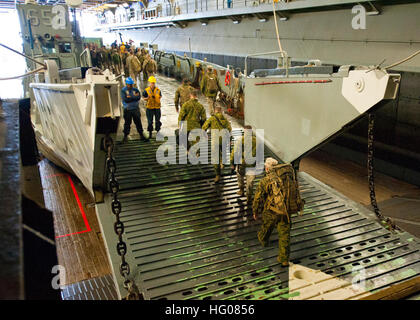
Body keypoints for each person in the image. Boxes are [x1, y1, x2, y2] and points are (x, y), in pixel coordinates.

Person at [252, 158, 305, 266]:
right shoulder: (288, 177)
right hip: (286, 211)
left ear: (267, 168)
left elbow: (257, 198)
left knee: (267, 227)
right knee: (285, 234)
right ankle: (284, 259)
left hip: (271, 211)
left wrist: (255, 211)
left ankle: (264, 240)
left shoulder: (265, 180)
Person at [202, 103, 232, 183]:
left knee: (215, 158)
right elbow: (229, 129)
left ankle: (218, 175)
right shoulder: (225, 119)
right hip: (224, 139)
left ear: (215, 111)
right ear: (221, 111)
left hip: (215, 141)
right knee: (223, 152)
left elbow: (204, 127)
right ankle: (223, 163)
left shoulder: (212, 119)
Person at [230, 125, 257, 204]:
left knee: (240, 178)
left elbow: (234, 153)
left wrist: (232, 163)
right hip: (252, 166)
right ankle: (248, 198)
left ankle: (241, 191)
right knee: (250, 183)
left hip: (241, 164)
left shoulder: (240, 140)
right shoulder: (256, 141)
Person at [121, 77, 148, 143]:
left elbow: (138, 97)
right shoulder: (123, 90)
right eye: (130, 85)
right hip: (127, 109)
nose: (131, 86)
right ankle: (125, 137)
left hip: (135, 109)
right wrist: (134, 97)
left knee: (138, 122)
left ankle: (141, 135)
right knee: (127, 123)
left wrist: (131, 97)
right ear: (127, 84)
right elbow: (126, 100)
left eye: (131, 84)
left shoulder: (135, 89)